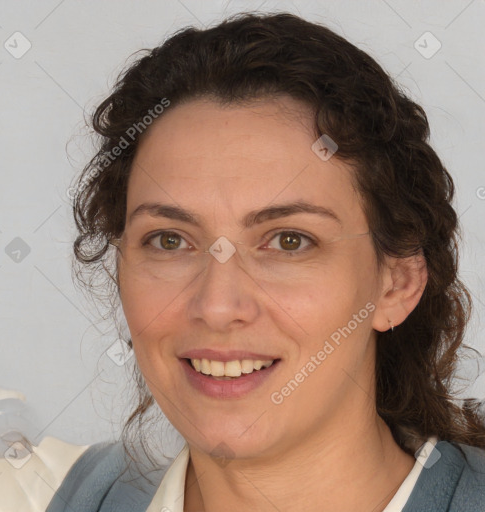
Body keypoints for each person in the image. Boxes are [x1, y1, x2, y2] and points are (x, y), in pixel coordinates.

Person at [46, 11, 485, 512]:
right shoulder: (70, 493)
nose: (216, 306)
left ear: (396, 285)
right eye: (170, 240)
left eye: (289, 241)